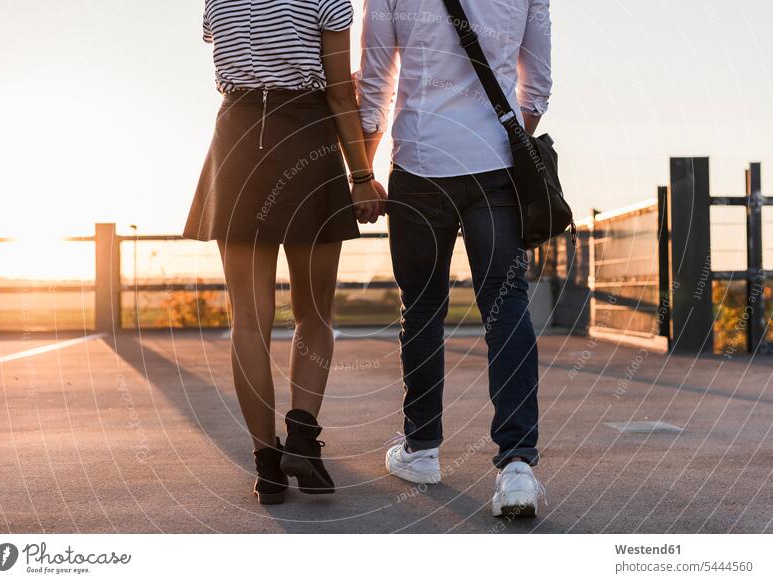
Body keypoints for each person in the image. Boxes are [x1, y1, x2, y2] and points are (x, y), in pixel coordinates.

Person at [183, 0, 385, 505]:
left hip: (237, 139)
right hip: (306, 139)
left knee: (248, 321)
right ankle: (302, 439)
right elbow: (341, 93)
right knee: (313, 313)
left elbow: (222, 51)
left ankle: (266, 467)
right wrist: (361, 175)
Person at [356, 0, 551, 517]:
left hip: (419, 165)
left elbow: (374, 87)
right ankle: (516, 469)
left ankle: (421, 450)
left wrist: (363, 171)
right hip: (496, 168)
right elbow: (538, 88)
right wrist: (509, 143)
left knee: (421, 309)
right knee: (506, 307)